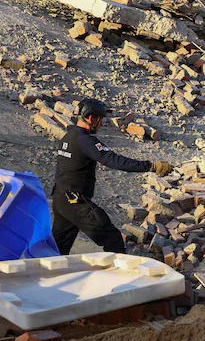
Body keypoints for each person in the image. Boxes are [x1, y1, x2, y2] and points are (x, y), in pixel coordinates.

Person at [51, 98, 173, 255]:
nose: (101, 124)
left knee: (57, 250)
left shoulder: (68, 137)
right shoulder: (86, 140)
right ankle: (121, 278)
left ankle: (43, 276)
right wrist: (151, 166)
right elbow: (115, 161)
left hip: (60, 199)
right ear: (90, 117)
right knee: (112, 238)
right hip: (75, 202)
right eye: (100, 119)